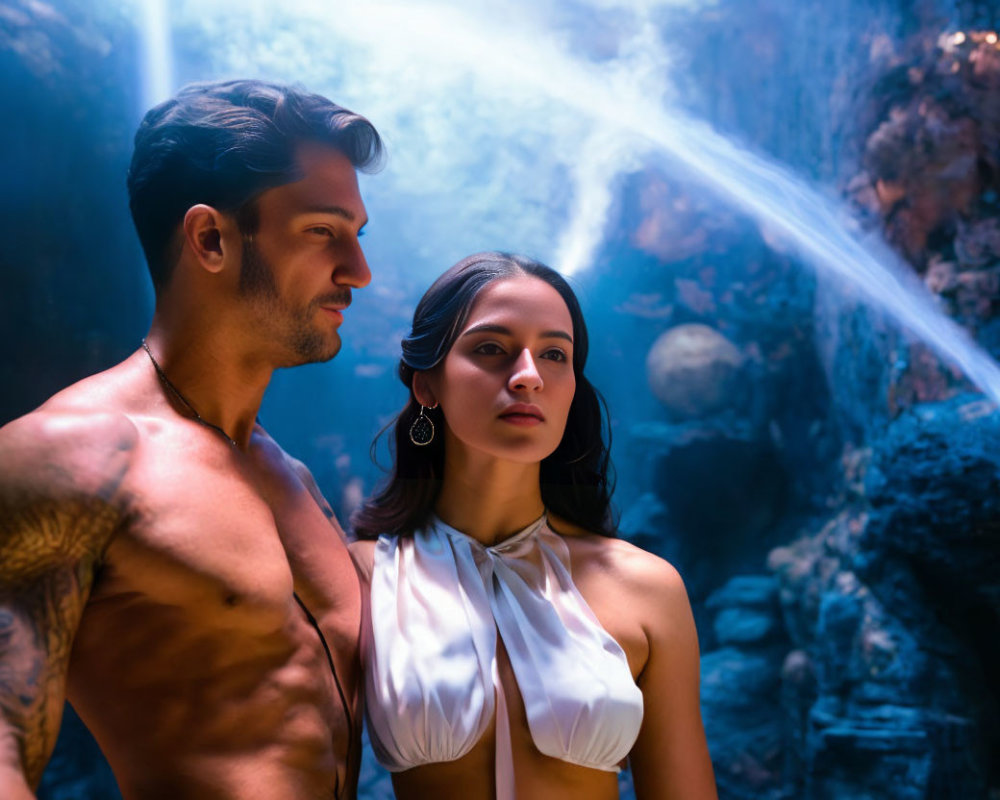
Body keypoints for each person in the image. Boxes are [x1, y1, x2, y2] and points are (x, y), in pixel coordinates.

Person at [0, 79, 381, 800]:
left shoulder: (291, 477)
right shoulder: (71, 456)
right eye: (324, 231)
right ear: (210, 238)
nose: (359, 272)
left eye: (358, 235)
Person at [351, 252, 718, 799]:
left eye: (553, 354)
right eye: (491, 349)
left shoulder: (647, 589)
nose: (527, 377)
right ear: (426, 384)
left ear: (573, 385)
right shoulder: (360, 579)